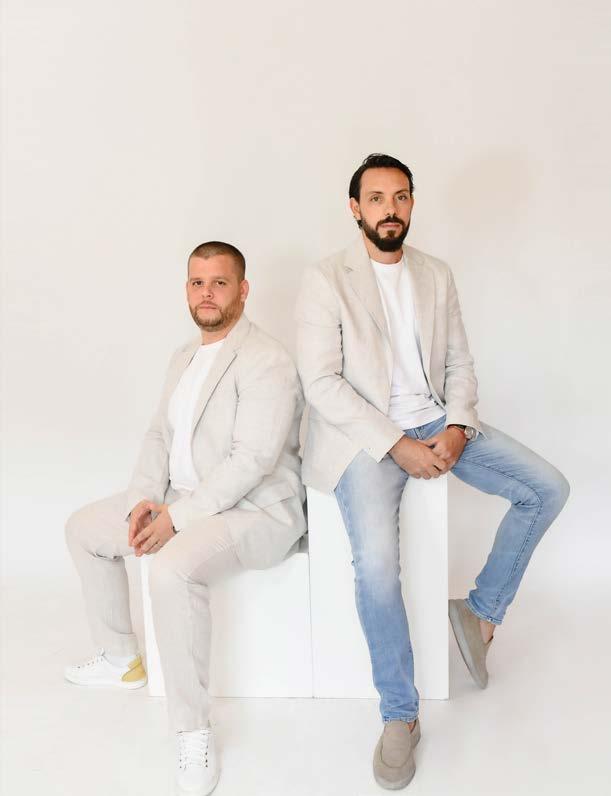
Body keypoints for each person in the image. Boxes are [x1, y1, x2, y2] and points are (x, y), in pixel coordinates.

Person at [295, 154, 570, 790]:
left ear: (412, 204)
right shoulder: (325, 278)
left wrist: (457, 426)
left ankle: (479, 613)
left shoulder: (436, 274)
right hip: (364, 440)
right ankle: (400, 714)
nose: (390, 209)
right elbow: (322, 383)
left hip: (438, 422)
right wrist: (397, 444)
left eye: (401, 197)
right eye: (376, 198)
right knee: (376, 567)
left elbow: (460, 364)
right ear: (355, 209)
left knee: (547, 488)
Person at [65, 240, 306, 796]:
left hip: (255, 511)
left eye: (220, 282)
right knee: (83, 529)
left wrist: (176, 518)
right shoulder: (183, 356)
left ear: (243, 290)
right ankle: (121, 658)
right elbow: (159, 435)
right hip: (179, 497)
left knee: (170, 570)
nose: (207, 294)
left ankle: (192, 731)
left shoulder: (267, 359)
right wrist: (144, 501)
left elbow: (252, 461)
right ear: (187, 291)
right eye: (198, 283)